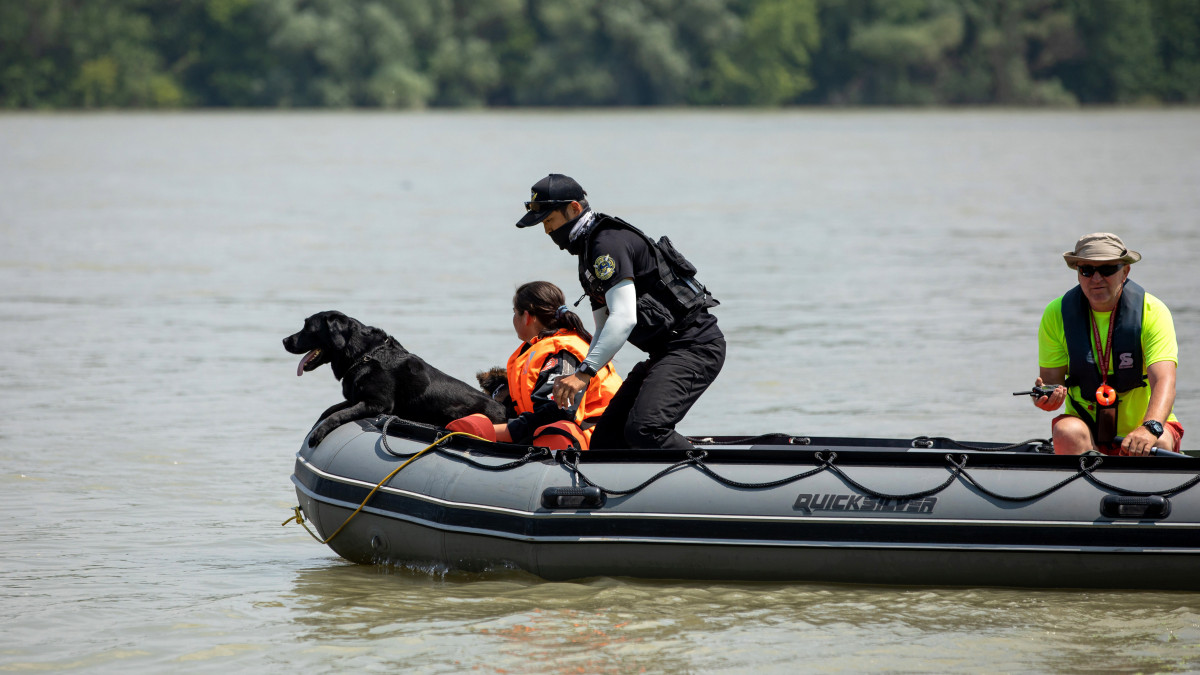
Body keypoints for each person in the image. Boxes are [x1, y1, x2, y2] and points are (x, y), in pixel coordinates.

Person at [515, 173, 725, 450]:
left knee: (646, 431)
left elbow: (624, 319)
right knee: (606, 442)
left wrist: (583, 374)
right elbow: (604, 328)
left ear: (574, 209)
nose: (547, 232)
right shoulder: (588, 255)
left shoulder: (607, 245)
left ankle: (709, 478)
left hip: (695, 347)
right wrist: (582, 372)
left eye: (550, 221)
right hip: (664, 353)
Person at [1031, 233, 1182, 456]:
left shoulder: (1153, 312)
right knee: (1065, 432)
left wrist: (1150, 428)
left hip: (1148, 427)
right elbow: (1051, 383)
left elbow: (1164, 381)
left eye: (1108, 269)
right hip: (1086, 431)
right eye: (1087, 270)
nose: (1096, 278)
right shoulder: (1056, 314)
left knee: (1159, 443)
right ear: (1078, 273)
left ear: (1125, 271)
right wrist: (1045, 399)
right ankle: (1083, 486)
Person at [447, 281, 622, 450]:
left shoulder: (561, 353)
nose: (513, 319)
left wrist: (490, 432)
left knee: (554, 431)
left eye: (515, 313)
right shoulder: (537, 348)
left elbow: (555, 414)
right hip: (540, 428)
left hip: (592, 439)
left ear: (527, 317)